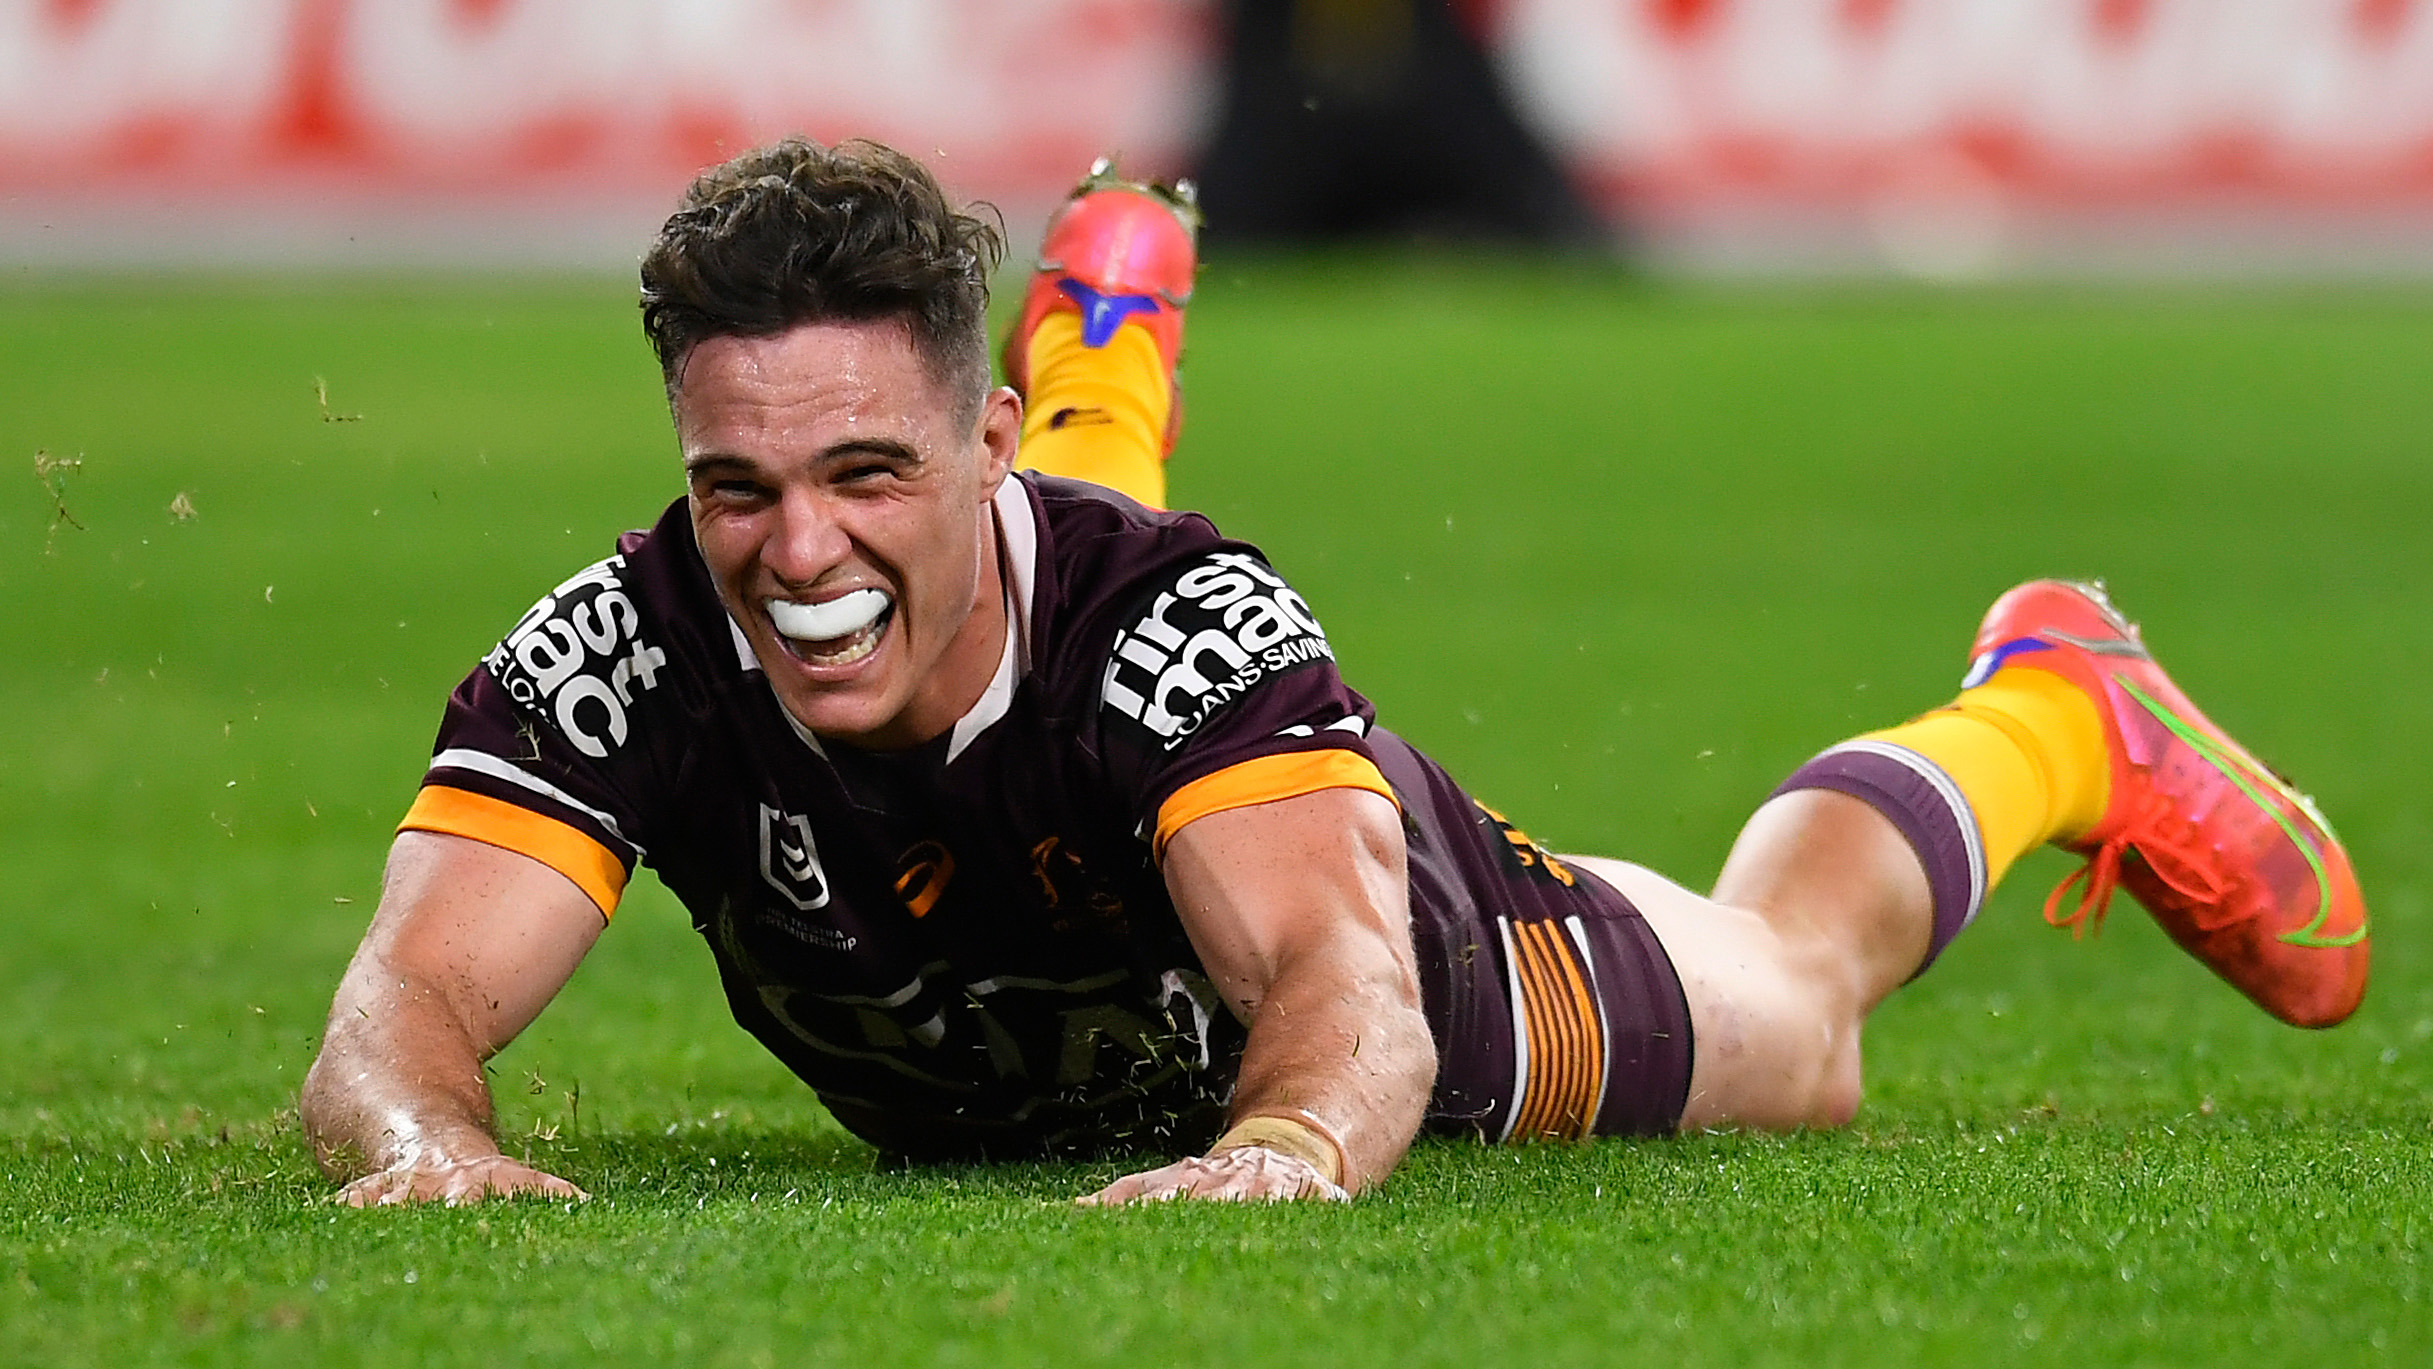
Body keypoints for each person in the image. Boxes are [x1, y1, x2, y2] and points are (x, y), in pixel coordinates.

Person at [300, 138, 2370, 1207]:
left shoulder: (1192, 637)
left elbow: (1349, 1004)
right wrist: (420, 1133)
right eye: (735, 485)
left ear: (967, 435)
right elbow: (395, 1009)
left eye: (859, 463)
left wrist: (1278, 1151)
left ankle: (2046, 712)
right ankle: (1094, 393)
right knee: (965, 598)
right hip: (1058, 586)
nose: (791, 546)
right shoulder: (633, 638)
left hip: (1417, 931)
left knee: (1799, 1007)